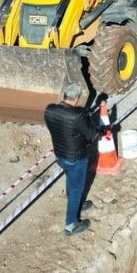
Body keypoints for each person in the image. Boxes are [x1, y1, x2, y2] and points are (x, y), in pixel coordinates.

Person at [44, 82, 98, 236]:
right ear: (77, 98)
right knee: (76, 189)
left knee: (71, 181)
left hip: (60, 155)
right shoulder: (77, 115)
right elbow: (92, 135)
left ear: (65, 95)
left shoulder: (50, 110)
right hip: (76, 158)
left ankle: (77, 203)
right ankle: (71, 225)